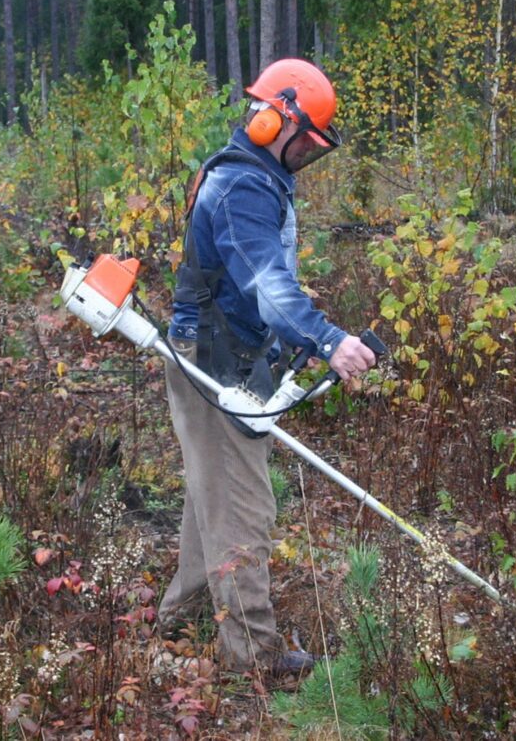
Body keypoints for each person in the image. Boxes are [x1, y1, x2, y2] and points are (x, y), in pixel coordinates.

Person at [159, 58, 376, 677]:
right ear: (274, 118)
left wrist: (295, 342)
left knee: (214, 489)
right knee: (245, 507)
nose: (307, 153)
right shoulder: (244, 187)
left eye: (316, 147)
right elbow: (265, 284)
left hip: (223, 351)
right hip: (216, 360)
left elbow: (257, 287)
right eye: (304, 140)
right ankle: (254, 657)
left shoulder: (250, 176)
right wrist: (328, 339)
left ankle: (184, 613)